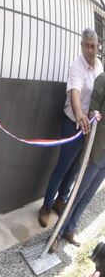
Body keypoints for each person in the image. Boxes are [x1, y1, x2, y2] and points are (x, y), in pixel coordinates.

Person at [38, 28, 103, 228]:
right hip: (73, 124)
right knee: (63, 167)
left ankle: (61, 200)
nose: (91, 50)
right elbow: (75, 92)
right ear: (82, 46)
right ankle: (46, 206)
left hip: (89, 128)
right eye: (87, 46)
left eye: (94, 46)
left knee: (76, 168)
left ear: (98, 46)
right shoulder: (77, 67)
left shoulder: (99, 65)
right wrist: (80, 114)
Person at [54, 70, 105, 250]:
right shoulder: (102, 79)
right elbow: (92, 115)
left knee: (88, 196)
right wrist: (87, 151)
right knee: (77, 195)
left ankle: (70, 229)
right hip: (95, 150)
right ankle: (57, 233)